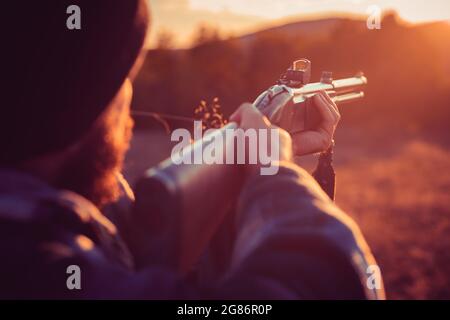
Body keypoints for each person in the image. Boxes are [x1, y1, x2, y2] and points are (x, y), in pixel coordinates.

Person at [0, 1, 384, 299]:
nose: (129, 103)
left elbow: (141, 263)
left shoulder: (47, 226)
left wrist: (239, 175)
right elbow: (329, 282)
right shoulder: (39, 267)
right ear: (84, 100)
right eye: (127, 79)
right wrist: (273, 170)